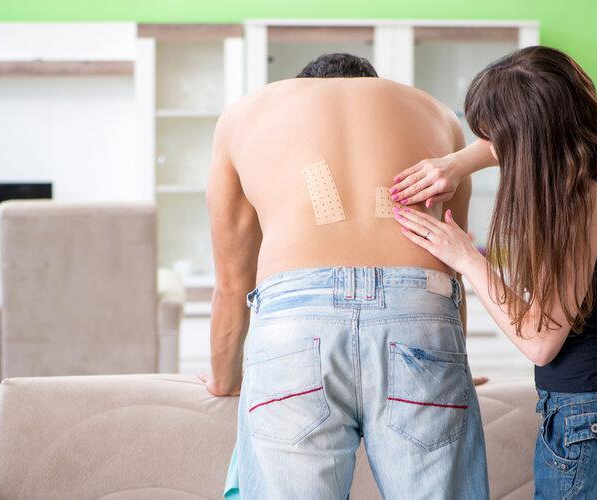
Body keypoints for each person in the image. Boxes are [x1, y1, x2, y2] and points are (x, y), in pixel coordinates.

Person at [389, 45, 597, 499]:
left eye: (499, 138)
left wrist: (467, 258)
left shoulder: (578, 203)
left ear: (530, 137)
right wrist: (456, 163)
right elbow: (515, 142)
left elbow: (540, 342)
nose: (495, 150)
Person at [195, 53, 489, 499]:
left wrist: (223, 378)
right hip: (418, 313)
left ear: (302, 84)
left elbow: (233, 284)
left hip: (295, 318)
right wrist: (454, 364)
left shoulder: (243, 115)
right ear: (373, 84)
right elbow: (452, 264)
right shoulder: (437, 114)